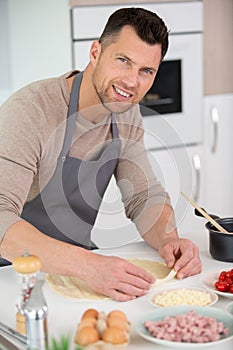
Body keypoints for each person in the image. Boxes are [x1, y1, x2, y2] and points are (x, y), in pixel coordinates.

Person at [0, 7, 201, 301]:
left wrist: (169, 239)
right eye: (123, 61)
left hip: (77, 277)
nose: (132, 82)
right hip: (12, 277)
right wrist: (88, 265)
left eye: (146, 71)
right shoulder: (32, 110)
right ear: (95, 52)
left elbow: (144, 196)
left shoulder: (127, 115)